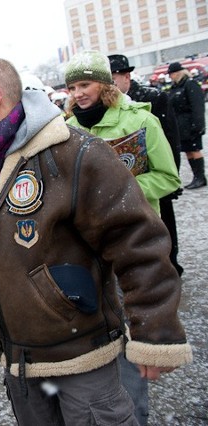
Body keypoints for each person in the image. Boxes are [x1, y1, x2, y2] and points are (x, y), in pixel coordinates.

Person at [0, 57, 192, 425]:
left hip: (83, 360)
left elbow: (138, 242)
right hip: (20, 365)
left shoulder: (74, 153)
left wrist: (154, 332)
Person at [65, 50, 180, 215]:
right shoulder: (68, 129)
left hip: (137, 225)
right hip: (91, 230)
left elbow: (168, 177)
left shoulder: (142, 120)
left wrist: (121, 190)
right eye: (72, 88)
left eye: (84, 85)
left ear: (104, 84)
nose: (77, 93)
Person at [109, 53, 184, 278]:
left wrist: (172, 179)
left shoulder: (153, 98)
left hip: (154, 176)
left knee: (165, 224)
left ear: (126, 77)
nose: (110, 86)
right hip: (130, 183)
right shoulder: (106, 107)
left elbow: (171, 139)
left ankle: (171, 265)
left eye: (113, 79)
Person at [168, 61, 207, 189]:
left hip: (191, 124)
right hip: (181, 126)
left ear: (178, 73)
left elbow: (197, 106)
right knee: (189, 151)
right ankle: (196, 177)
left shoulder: (190, 84)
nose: (170, 77)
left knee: (195, 150)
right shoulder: (176, 87)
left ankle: (200, 177)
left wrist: (198, 125)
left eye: (171, 74)